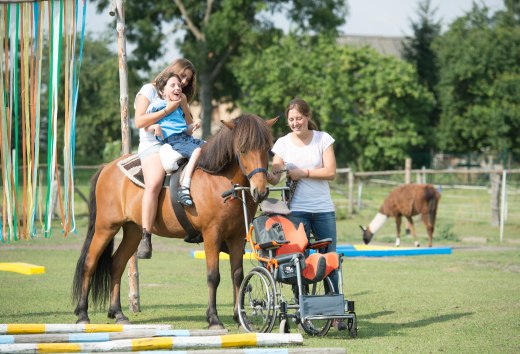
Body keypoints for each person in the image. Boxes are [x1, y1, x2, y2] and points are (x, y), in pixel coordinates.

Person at [267, 98, 347, 331]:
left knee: (330, 257)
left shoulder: (323, 138)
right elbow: (276, 173)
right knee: (297, 258)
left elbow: (330, 172)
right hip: (296, 211)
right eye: (291, 119)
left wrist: (302, 173)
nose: (295, 123)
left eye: (299, 118)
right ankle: (302, 307)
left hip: (323, 209)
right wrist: (267, 175)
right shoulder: (282, 143)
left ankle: (336, 312)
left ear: (307, 116)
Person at [134, 59, 197, 259]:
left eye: (188, 79)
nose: (185, 82)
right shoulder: (149, 90)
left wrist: (184, 106)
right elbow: (139, 121)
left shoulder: (179, 94)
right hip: (154, 144)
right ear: (172, 71)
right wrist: (167, 110)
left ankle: (196, 224)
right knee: (153, 183)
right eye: (183, 76)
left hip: (177, 141)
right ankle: (146, 235)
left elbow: (188, 122)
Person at [146, 72, 204, 206]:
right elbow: (146, 125)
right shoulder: (158, 105)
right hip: (174, 141)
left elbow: (185, 131)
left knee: (210, 147)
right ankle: (184, 186)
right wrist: (155, 126)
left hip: (185, 138)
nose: (178, 88)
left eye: (179, 85)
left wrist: (194, 125)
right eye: (173, 85)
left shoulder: (178, 108)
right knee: (197, 152)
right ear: (162, 91)